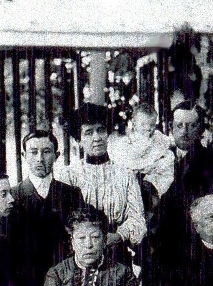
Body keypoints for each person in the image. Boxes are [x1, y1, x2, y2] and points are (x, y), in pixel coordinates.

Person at [57, 103, 147, 250]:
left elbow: (138, 221)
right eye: (88, 132)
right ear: (78, 140)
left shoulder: (125, 174)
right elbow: (62, 222)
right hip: (80, 252)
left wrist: (119, 236)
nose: (96, 137)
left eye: (101, 130)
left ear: (108, 134)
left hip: (117, 252)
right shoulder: (68, 175)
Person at [10, 129, 86, 286]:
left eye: (46, 152)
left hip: (64, 281)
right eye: (33, 152)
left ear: (56, 155)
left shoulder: (71, 194)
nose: (39, 158)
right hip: (26, 283)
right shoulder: (13, 196)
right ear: (24, 155)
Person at [153, 102, 213, 255]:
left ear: (200, 129)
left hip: (194, 248)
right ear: (171, 127)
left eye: (191, 126)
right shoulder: (159, 157)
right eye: (179, 126)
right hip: (161, 245)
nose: (184, 132)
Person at [107, 103, 176, 207]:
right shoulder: (127, 141)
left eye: (152, 125)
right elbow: (124, 159)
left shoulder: (158, 138)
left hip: (154, 176)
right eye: (143, 124)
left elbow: (167, 147)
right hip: (134, 173)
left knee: (167, 163)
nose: (148, 128)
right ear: (134, 123)